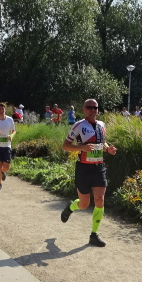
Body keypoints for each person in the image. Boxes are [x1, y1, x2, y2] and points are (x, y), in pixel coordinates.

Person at [60, 99, 118, 247]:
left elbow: (102, 142)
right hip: (83, 169)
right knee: (84, 204)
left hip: (98, 167)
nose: (93, 110)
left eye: (95, 107)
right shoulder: (79, 125)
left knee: (99, 199)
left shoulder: (102, 125)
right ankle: (71, 207)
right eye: (90, 107)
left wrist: (108, 149)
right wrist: (81, 147)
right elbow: (65, 146)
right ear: (84, 109)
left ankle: (94, 235)